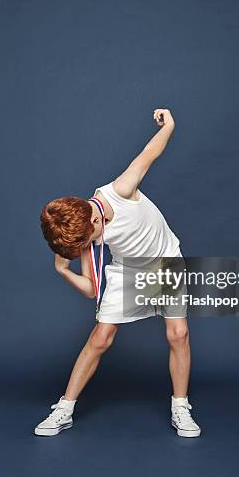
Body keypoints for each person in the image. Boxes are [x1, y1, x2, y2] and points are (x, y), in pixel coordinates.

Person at [34, 108, 201, 438]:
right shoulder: (86, 236)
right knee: (100, 337)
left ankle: (180, 406)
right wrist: (62, 271)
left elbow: (149, 153)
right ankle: (64, 409)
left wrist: (170, 124)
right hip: (127, 272)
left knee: (177, 334)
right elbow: (93, 289)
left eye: (88, 240)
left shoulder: (120, 189)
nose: (89, 246)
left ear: (94, 220)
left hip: (165, 262)